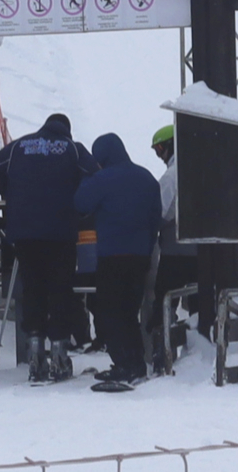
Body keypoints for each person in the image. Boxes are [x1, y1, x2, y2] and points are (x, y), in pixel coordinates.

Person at [0, 113, 99, 382]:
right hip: (60, 232)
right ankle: (59, 352)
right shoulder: (71, 148)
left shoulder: (19, 146)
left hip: (24, 233)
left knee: (33, 289)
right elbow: (95, 175)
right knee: (60, 289)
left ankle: (35, 354)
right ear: (66, 130)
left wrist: (11, 192)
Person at [73, 133, 162, 390]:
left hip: (112, 255)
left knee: (107, 313)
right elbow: (155, 217)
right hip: (140, 256)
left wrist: (89, 177)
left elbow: (80, 202)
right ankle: (136, 363)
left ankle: (123, 364)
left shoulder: (102, 179)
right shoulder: (147, 178)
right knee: (129, 312)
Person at [150, 124, 197, 368]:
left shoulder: (171, 176)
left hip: (175, 251)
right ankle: (200, 350)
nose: (160, 156)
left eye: (160, 149)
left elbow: (160, 212)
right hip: (202, 251)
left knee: (164, 301)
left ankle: (162, 353)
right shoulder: (201, 168)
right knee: (199, 302)